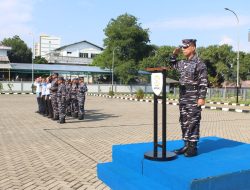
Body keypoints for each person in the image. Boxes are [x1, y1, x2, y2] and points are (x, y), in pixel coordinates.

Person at [170, 39, 208, 157]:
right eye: (182, 47)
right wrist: (174, 54)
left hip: (194, 96)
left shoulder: (199, 63)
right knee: (184, 121)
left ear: (193, 48)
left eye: (186, 47)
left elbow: (203, 81)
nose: (183, 49)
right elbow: (172, 64)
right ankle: (186, 144)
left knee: (193, 121)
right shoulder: (183, 63)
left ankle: (193, 147)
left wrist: (201, 97)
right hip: (183, 95)